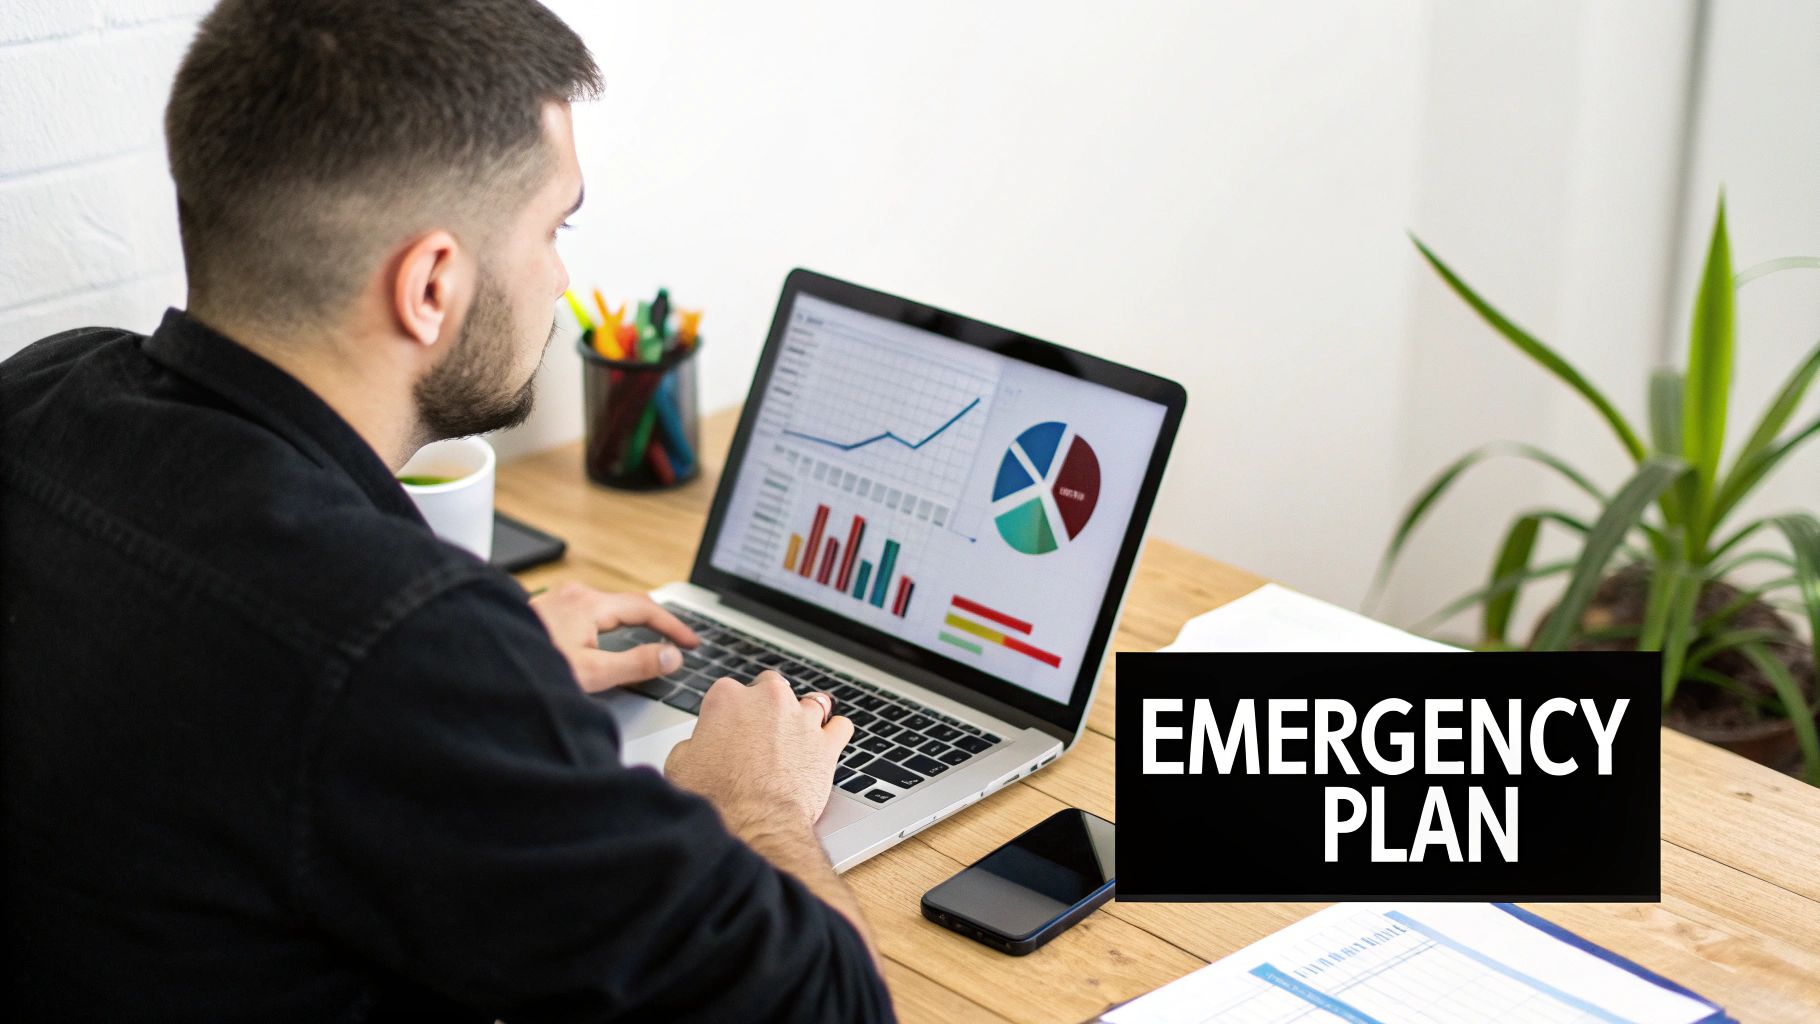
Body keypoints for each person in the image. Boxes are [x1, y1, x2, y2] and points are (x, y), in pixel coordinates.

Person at [0, 1, 895, 1020]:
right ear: (430, 283)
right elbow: (831, 1008)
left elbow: (214, 696)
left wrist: (486, 689)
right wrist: (762, 802)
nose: (560, 274)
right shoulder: (394, 646)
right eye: (554, 229)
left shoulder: (40, 395)